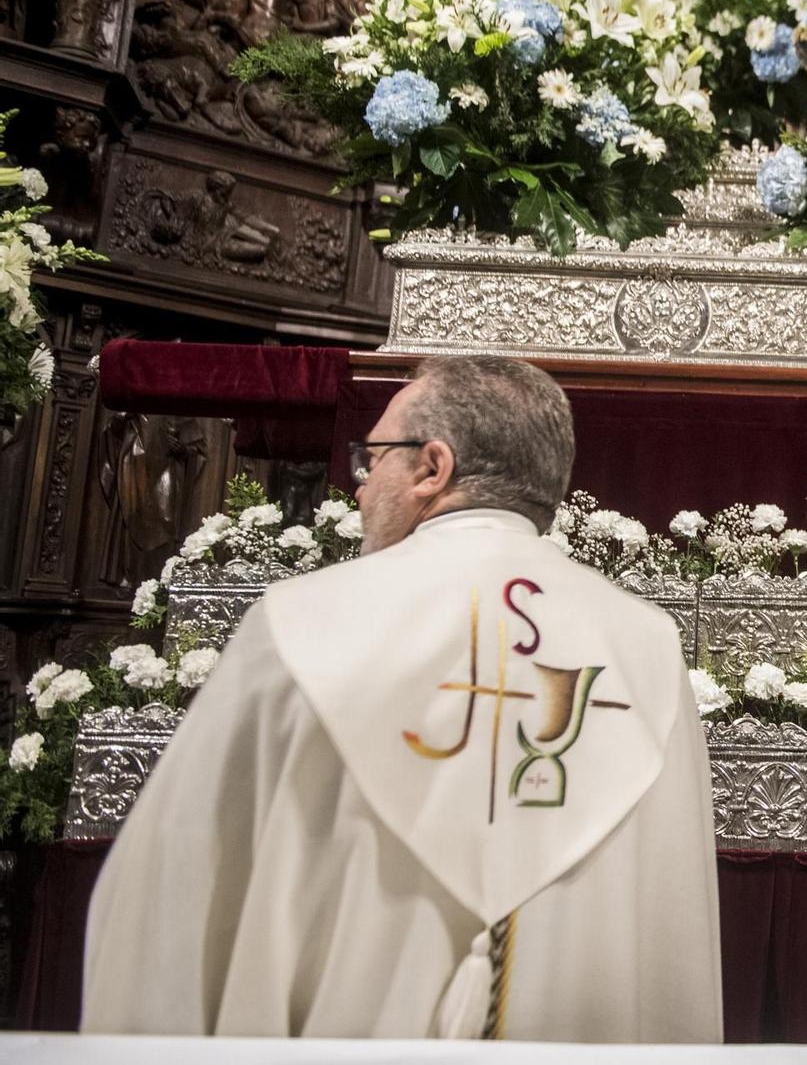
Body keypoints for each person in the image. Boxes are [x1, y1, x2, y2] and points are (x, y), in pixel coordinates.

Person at [82, 356, 724, 1042]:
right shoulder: (647, 649)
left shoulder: (304, 621)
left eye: (372, 457)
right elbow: (673, 938)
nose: (360, 487)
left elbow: (171, 898)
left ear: (432, 467)